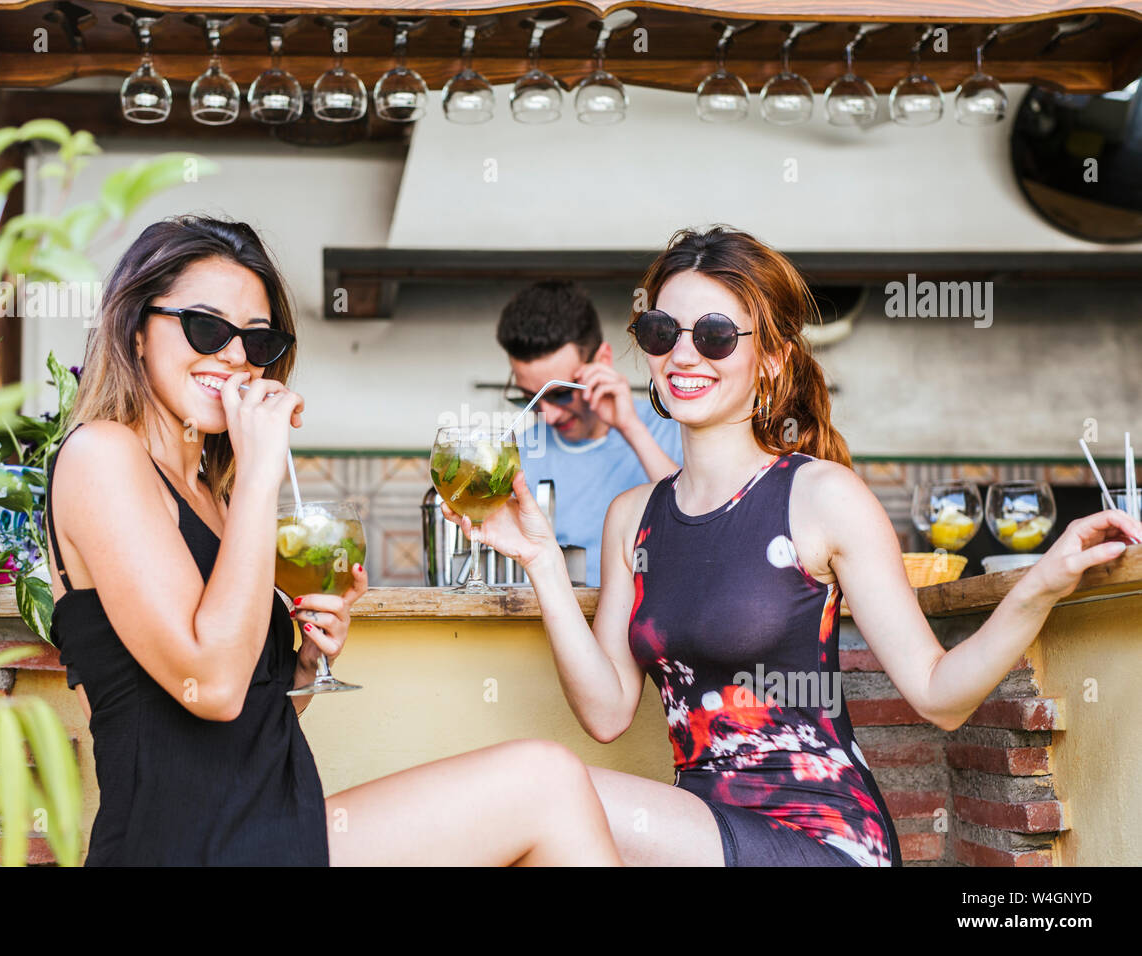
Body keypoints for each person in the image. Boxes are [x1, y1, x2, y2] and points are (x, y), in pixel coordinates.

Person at [447, 225, 1142, 866]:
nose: (683, 354)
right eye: (663, 331)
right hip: (707, 827)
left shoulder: (821, 496)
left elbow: (940, 697)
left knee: (540, 784)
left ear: (771, 360)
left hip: (823, 837)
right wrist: (540, 560)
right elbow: (606, 714)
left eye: (716, 335)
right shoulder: (632, 518)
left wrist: (1042, 583)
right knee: (550, 807)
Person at [45, 215, 621, 866]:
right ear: (137, 329)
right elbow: (209, 688)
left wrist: (306, 666)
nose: (233, 356)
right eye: (206, 327)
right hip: (187, 846)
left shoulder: (213, 494)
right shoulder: (102, 455)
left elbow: (246, 718)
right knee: (544, 783)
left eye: (255, 341)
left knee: (550, 780)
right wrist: (263, 469)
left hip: (267, 825)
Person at [497, 280, 682, 586]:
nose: (549, 415)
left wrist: (630, 429)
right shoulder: (519, 454)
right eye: (529, 398)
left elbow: (704, 521)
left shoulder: (674, 424)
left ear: (602, 362)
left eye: (560, 394)